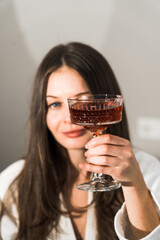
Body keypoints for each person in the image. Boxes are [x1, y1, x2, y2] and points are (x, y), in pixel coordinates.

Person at [0, 42, 160, 240]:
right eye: (55, 104)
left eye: (83, 102)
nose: (70, 117)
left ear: (108, 104)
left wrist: (133, 183)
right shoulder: (13, 182)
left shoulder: (148, 171)